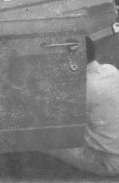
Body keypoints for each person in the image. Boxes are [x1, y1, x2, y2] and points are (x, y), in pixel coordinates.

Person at [47, 37, 119, 177]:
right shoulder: (112, 70)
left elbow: (55, 117)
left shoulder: (82, 88)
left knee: (45, 142)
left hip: (108, 162)